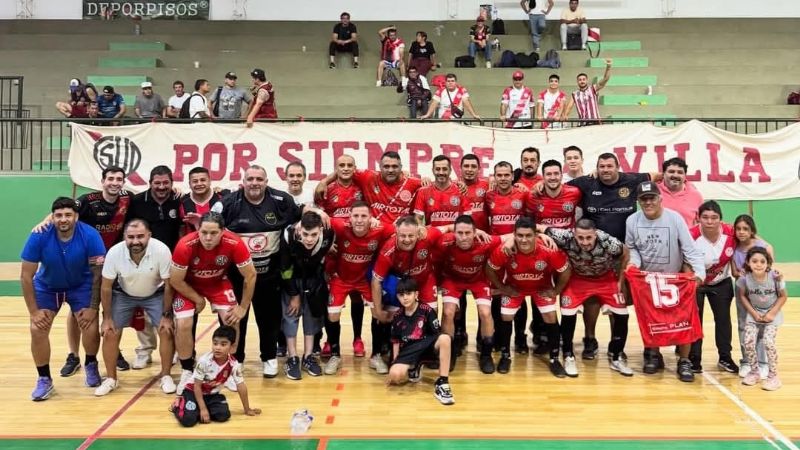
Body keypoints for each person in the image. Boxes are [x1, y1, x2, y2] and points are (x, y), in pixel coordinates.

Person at [217, 165, 301, 378]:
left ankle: (269, 357)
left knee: (269, 318)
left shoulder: (282, 201)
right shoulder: (229, 203)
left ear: (266, 181)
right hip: (237, 275)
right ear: (243, 181)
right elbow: (211, 225)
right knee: (235, 318)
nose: (255, 183)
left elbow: (300, 218)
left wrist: (315, 211)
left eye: (259, 179)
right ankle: (236, 359)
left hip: (269, 274)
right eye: (250, 178)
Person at [21, 197, 106, 401]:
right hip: (48, 287)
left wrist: (94, 308)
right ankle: (44, 379)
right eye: (58, 215)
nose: (63, 219)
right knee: (37, 329)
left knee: (90, 325)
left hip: (81, 285)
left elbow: (98, 275)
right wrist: (33, 312)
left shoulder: (90, 235)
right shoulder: (39, 235)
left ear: (76, 217)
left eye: (68, 215)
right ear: (52, 217)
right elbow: (26, 276)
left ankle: (91, 364)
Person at [624, 181, 706, 382]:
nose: (648, 202)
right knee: (651, 318)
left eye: (652, 198)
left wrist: (700, 273)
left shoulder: (675, 219)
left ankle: (684, 360)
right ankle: (653, 353)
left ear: (660, 199)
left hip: (674, 279)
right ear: (638, 201)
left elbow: (689, 248)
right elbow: (632, 248)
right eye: (644, 199)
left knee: (682, 319)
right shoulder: (632, 221)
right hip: (648, 280)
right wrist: (633, 264)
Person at [170, 212, 257, 394]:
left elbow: (250, 275)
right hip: (189, 286)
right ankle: (187, 370)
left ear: (223, 232)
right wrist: (197, 299)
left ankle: (229, 370)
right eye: (204, 232)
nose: (208, 238)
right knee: (183, 323)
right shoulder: (185, 245)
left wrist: (243, 307)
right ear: (198, 230)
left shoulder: (234, 242)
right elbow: (176, 280)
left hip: (218, 283)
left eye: (213, 233)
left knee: (232, 319)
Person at [94, 219, 176, 396]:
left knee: (166, 329)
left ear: (149, 236)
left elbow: (170, 285)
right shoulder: (115, 252)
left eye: (140, 236)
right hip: (124, 294)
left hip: (155, 293)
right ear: (124, 237)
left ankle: (166, 376)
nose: (135, 241)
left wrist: (166, 315)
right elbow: (106, 286)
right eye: (130, 237)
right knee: (109, 331)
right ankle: (111, 379)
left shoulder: (161, 250)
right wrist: (106, 318)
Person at [542, 218, 632, 377]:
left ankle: (616, 356)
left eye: (589, 237)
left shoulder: (607, 241)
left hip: (605, 278)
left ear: (595, 234)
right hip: (577, 278)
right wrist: (544, 236)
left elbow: (625, 252)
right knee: (567, 313)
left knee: (622, 315)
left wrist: (620, 280)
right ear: (574, 235)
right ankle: (568, 355)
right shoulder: (564, 236)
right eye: (580, 238)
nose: (585, 242)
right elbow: (537, 228)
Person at [486, 217, 571, 376]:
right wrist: (503, 288)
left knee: (551, 316)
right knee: (505, 316)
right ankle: (505, 356)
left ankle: (554, 359)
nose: (523, 239)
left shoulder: (549, 249)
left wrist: (556, 291)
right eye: (520, 235)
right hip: (515, 288)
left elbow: (565, 270)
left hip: (542, 288)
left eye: (528, 235)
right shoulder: (505, 250)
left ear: (536, 236)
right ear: (514, 235)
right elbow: (489, 269)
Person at [324, 201, 395, 374]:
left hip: (366, 280)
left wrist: (422, 230)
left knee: (377, 313)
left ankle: (376, 355)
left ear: (371, 218)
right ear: (349, 218)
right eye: (356, 216)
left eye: (364, 216)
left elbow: (401, 230)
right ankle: (335, 355)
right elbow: (318, 215)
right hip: (341, 278)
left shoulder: (380, 229)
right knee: (332, 315)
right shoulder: (340, 226)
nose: (359, 220)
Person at [438, 215, 506, 374]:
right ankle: (450, 352)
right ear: (453, 233)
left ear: (475, 232)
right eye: (459, 233)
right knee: (448, 312)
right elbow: (425, 232)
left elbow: (510, 237)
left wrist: (539, 233)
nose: (463, 237)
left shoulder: (485, 241)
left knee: (485, 312)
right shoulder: (445, 241)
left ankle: (486, 354)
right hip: (452, 280)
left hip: (478, 280)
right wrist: (447, 227)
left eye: (467, 233)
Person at [279, 211, 334, 380]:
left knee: (312, 317)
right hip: (291, 278)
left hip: (314, 279)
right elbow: (285, 269)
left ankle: (308, 356)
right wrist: (294, 295)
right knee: (291, 316)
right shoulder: (289, 236)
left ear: (321, 231)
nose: (309, 239)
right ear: (299, 229)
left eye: (314, 235)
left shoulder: (329, 234)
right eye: (305, 234)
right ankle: (293, 357)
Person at [170, 325, 261, 427]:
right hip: (192, 392)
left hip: (212, 395)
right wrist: (203, 409)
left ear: (232, 347)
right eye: (215, 343)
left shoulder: (233, 364)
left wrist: (247, 409)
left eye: (223, 344)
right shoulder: (204, 361)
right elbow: (196, 386)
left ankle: (198, 408)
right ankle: (178, 404)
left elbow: (241, 385)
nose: (217, 347)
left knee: (223, 415)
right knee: (189, 420)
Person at [387, 278, 455, 406]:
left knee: (445, 338)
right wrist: (394, 362)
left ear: (416, 294)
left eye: (408, 294)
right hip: (408, 350)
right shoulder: (397, 316)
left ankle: (443, 383)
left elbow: (436, 334)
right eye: (401, 295)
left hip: (426, 345)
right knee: (395, 375)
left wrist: (436, 350)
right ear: (398, 297)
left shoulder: (427, 310)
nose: (405, 298)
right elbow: (395, 341)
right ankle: (413, 367)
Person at [688, 201, 738, 374]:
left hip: (721, 283)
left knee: (723, 320)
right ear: (698, 218)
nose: (710, 221)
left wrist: (768, 249)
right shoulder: (691, 235)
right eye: (705, 217)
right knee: (695, 321)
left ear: (720, 220)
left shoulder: (731, 232)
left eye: (714, 218)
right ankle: (694, 358)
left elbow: (753, 239)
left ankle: (725, 357)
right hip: (696, 283)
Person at [316, 150, 424, 226]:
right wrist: (324, 181)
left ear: (401, 167)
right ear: (380, 167)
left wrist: (426, 179)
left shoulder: (412, 182)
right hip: (374, 230)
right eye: (386, 166)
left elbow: (432, 187)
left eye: (395, 166)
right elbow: (346, 171)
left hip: (401, 234)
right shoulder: (368, 177)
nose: (390, 170)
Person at [568, 152, 655, 242]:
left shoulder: (632, 180)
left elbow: (657, 176)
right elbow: (560, 188)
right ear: (597, 168)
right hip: (594, 246)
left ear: (618, 167)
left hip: (627, 243)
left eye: (609, 166)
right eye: (602, 166)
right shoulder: (586, 182)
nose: (605, 170)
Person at [737, 247, 786, 391]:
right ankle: (754, 372)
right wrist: (753, 313)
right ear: (748, 262)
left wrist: (772, 313)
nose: (758, 264)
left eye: (762, 261)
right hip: (754, 313)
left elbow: (783, 296)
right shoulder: (744, 279)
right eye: (754, 261)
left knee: (768, 342)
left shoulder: (776, 277)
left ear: (768, 263)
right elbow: (743, 296)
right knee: (748, 341)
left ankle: (773, 376)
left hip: (773, 313)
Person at [731, 215, 773, 379]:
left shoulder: (763, 247)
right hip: (742, 291)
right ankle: (747, 362)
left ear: (752, 230)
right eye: (738, 229)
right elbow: (734, 272)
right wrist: (739, 274)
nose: (741, 232)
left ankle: (762, 363)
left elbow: (769, 269)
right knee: (744, 325)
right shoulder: (733, 248)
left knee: (761, 325)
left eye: (745, 229)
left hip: (760, 292)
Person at [127, 166, 182, 251]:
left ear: (172, 183)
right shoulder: (137, 201)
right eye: (157, 183)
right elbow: (128, 229)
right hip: (144, 253)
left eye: (166, 182)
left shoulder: (179, 200)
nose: (161, 187)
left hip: (173, 254)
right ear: (150, 183)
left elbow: (183, 229)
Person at [413, 155, 465, 227]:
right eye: (437, 169)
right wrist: (421, 230)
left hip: (454, 236)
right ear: (433, 170)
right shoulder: (423, 191)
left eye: (444, 169)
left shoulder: (461, 190)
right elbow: (418, 219)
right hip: (432, 236)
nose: (441, 172)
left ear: (450, 170)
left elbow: (467, 220)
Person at [179, 166, 228, 235]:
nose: (199, 184)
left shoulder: (223, 200)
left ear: (210, 181)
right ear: (189, 184)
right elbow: (181, 230)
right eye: (195, 181)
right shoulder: (182, 202)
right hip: (191, 244)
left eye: (203, 180)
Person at [561, 61, 612, 125]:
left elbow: (605, 79)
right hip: (583, 123)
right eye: (580, 80)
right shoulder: (574, 94)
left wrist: (608, 66)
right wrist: (565, 115)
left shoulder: (593, 88)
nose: (582, 81)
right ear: (577, 81)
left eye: (583, 79)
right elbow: (569, 106)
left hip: (595, 122)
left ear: (587, 80)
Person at [657, 157, 704, 228]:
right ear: (663, 174)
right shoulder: (654, 192)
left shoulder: (696, 196)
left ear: (685, 176)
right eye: (671, 171)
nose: (675, 175)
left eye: (680, 172)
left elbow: (701, 223)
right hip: (658, 238)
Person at [316, 154, 364, 219]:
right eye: (342, 165)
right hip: (332, 228)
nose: (346, 169)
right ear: (336, 169)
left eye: (349, 165)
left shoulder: (362, 187)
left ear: (354, 168)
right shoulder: (326, 189)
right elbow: (319, 214)